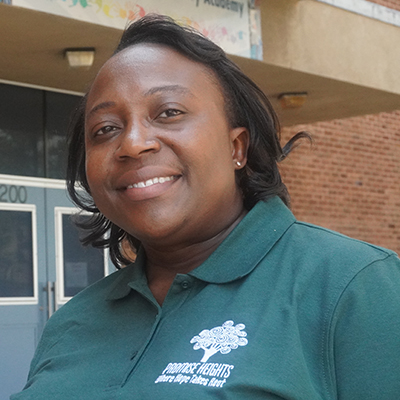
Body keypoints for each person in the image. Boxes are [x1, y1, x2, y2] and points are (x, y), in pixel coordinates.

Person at [12, 14, 400, 400]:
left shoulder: (353, 287)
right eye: (106, 129)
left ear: (237, 147)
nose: (132, 144)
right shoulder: (72, 321)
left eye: (169, 112)